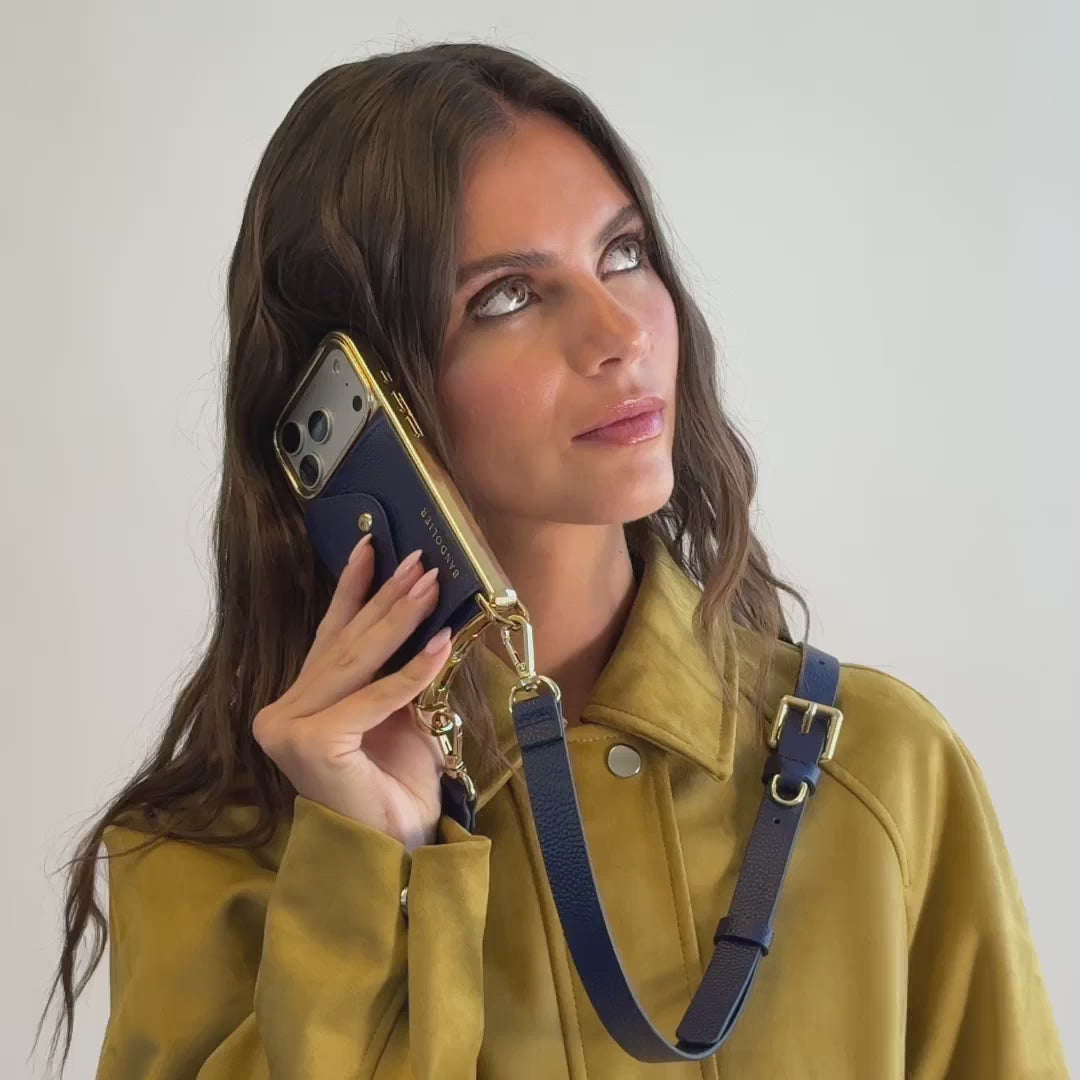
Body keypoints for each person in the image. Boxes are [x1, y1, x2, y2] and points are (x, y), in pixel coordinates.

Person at [37, 41, 1067, 1080]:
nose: (621, 334)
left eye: (623, 253)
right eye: (507, 297)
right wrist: (362, 874)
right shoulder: (207, 861)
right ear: (364, 389)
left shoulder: (884, 768)